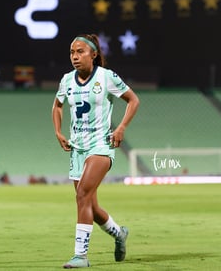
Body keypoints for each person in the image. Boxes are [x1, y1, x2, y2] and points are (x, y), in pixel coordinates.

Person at [52, 33, 139, 268]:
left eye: (80, 52)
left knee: (82, 195)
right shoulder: (67, 80)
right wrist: (58, 132)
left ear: (94, 54)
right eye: (72, 52)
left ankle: (80, 255)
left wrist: (120, 128)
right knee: (89, 203)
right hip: (77, 148)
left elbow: (133, 100)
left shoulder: (106, 77)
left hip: (101, 145)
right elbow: (58, 105)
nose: (75, 57)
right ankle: (119, 233)